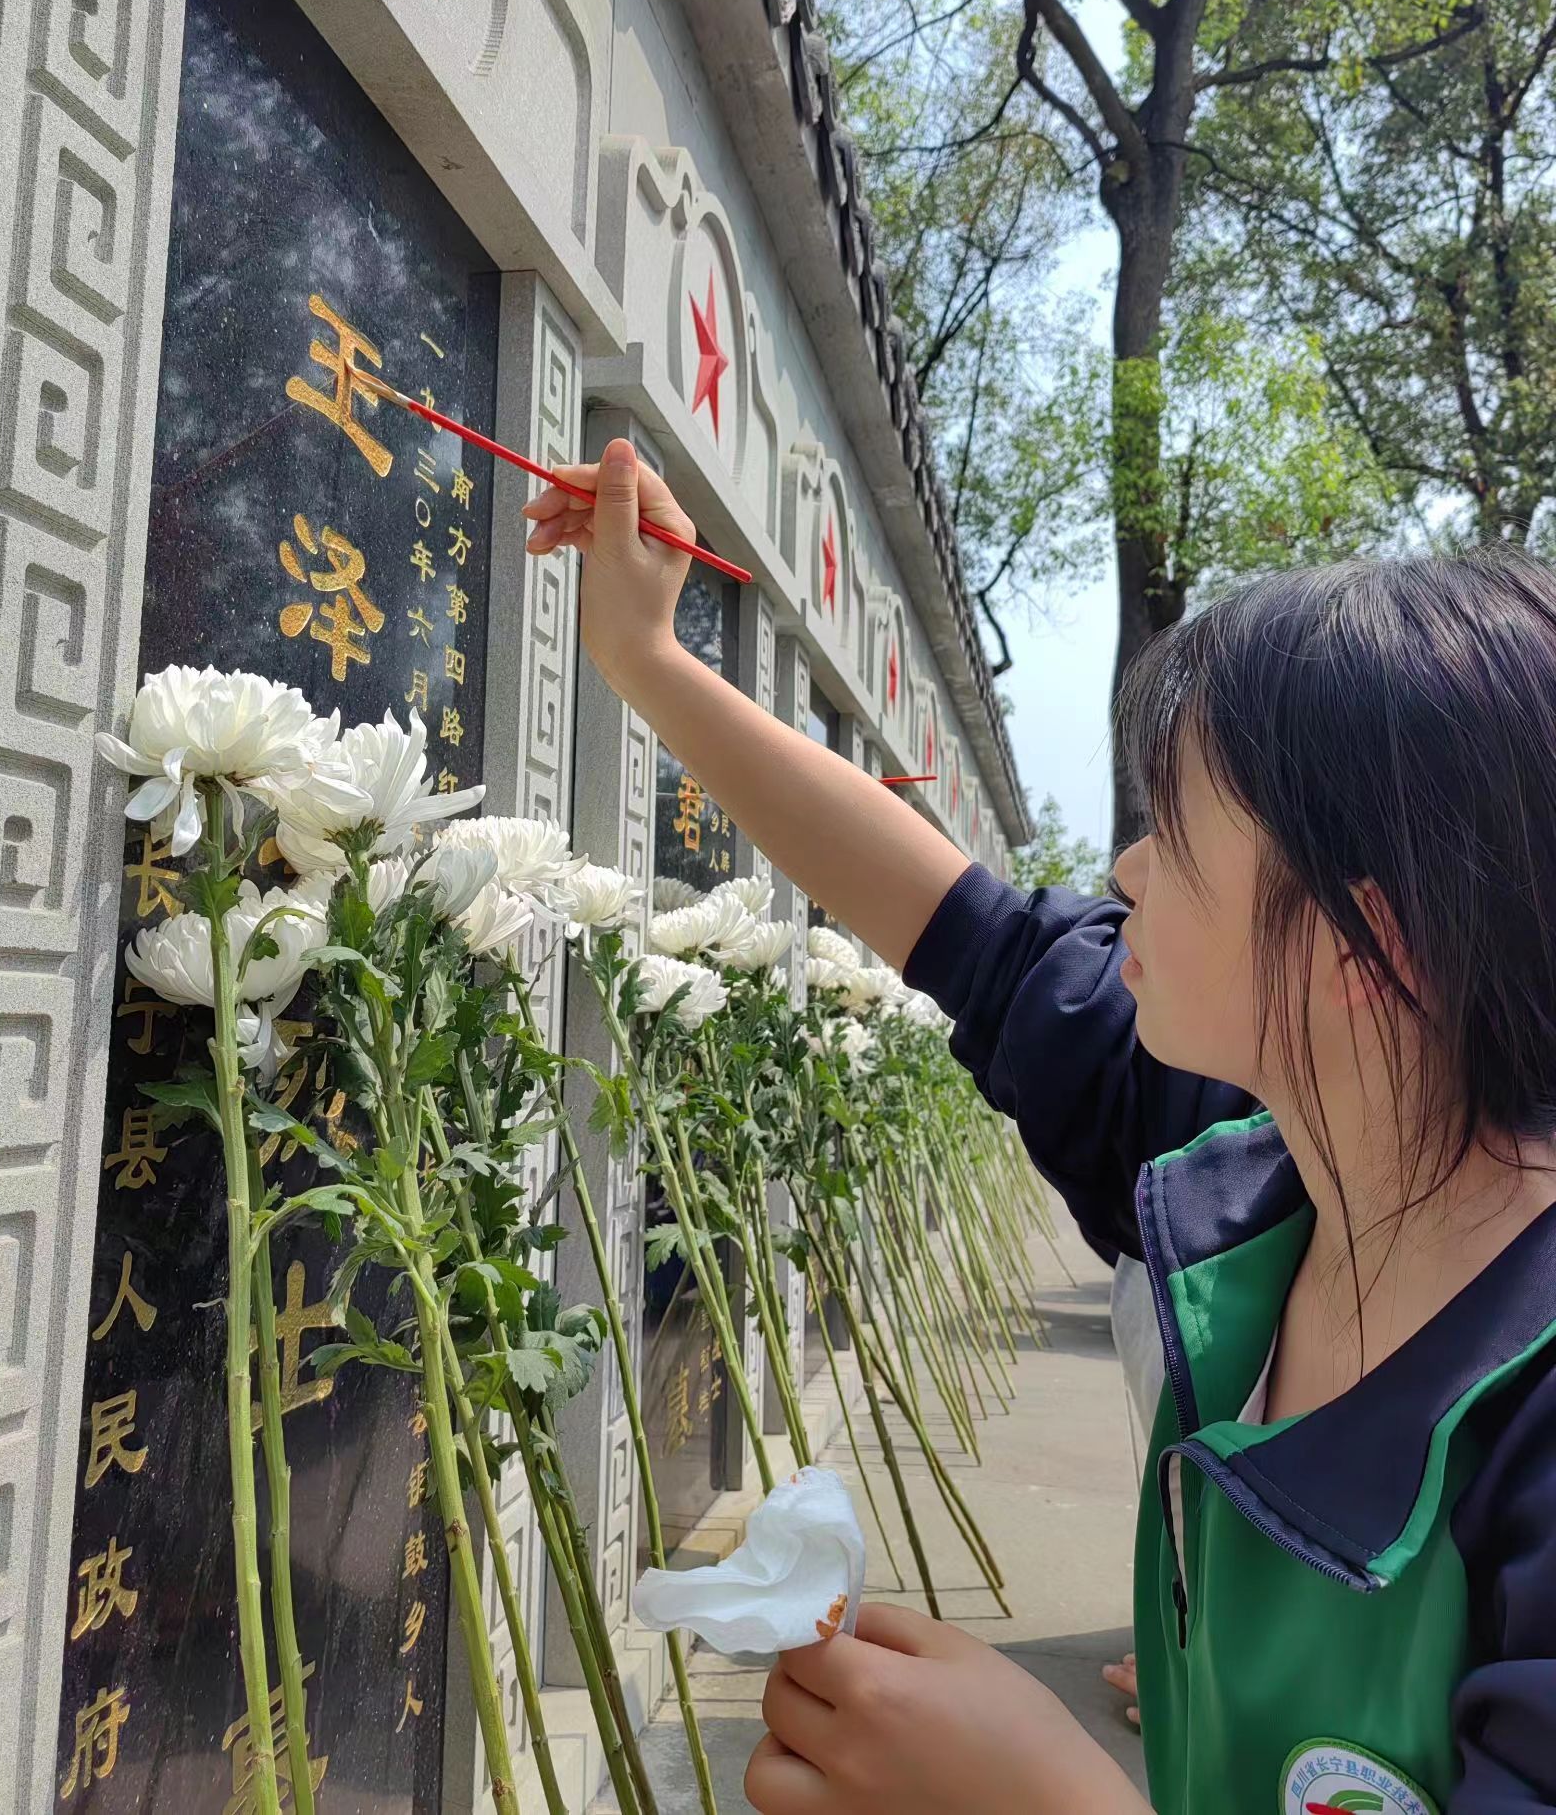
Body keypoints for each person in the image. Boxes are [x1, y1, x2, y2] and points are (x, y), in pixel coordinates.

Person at [525, 440, 1556, 1815]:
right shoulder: (1252, 1167)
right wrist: (647, 658)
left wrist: (1045, 1792)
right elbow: (966, 929)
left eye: (1175, 834)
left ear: (1370, 944)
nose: (1124, 871)